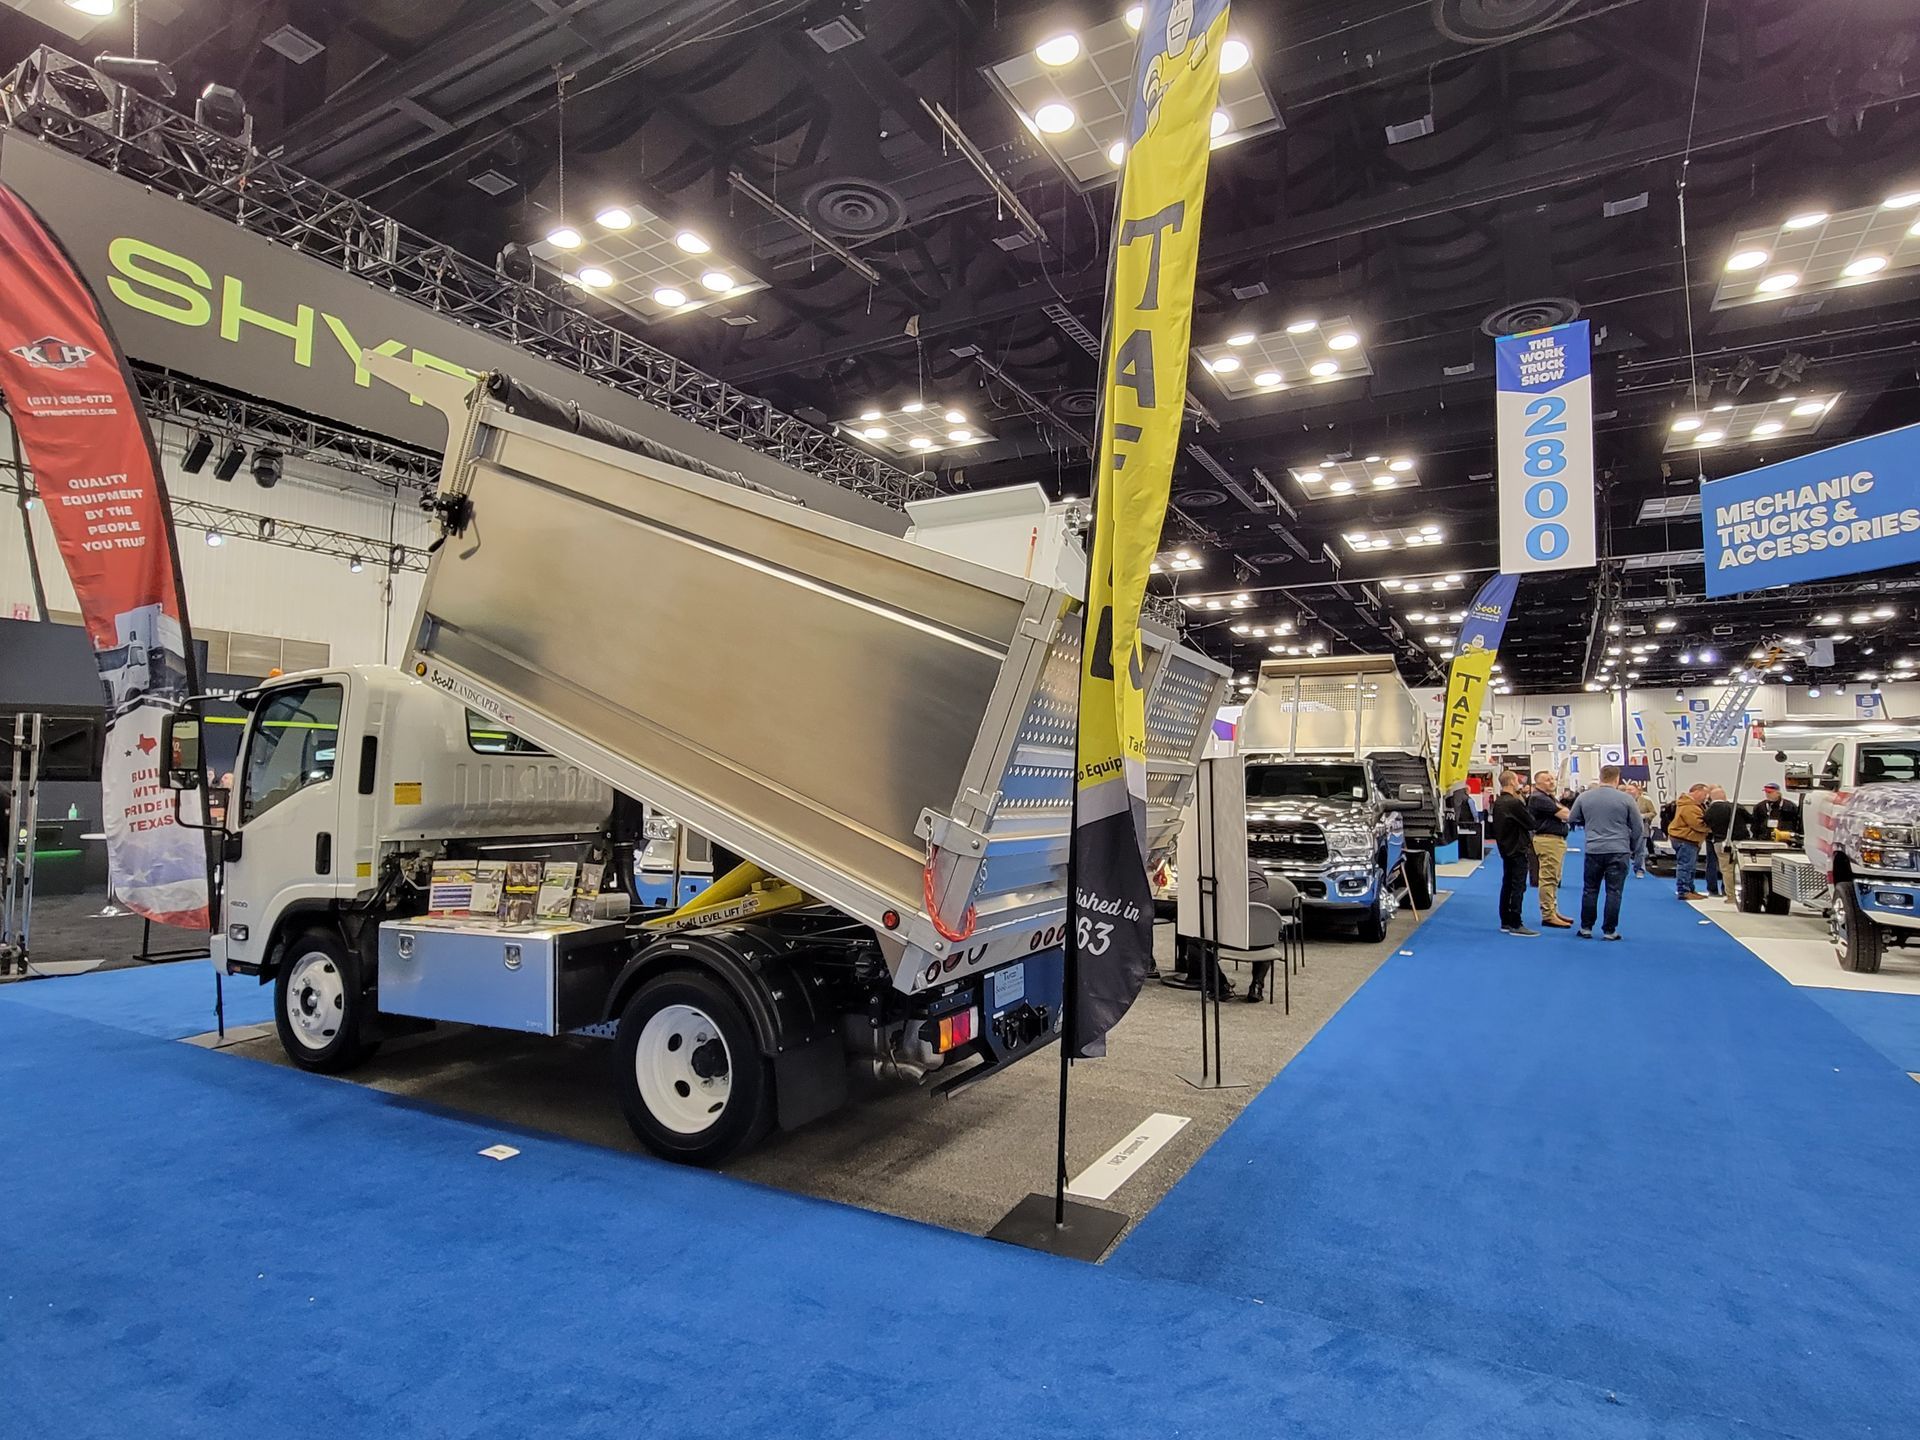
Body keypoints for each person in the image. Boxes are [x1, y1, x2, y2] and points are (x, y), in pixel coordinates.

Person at [1567, 766, 1644, 939]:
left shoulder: (1584, 797)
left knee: (1590, 889)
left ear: (1600, 776)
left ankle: (1586, 928)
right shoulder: (1627, 799)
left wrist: (1590, 823)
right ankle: (1609, 930)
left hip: (1594, 849)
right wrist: (1632, 846)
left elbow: (1572, 819)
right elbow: (1638, 827)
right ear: (1617, 779)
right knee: (1614, 891)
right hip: (1619, 849)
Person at [1490, 769, 1538, 936]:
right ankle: (1516, 922)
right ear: (1511, 782)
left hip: (1505, 847)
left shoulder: (1498, 802)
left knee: (1508, 884)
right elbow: (1531, 823)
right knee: (1518, 886)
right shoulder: (1514, 803)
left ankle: (1505, 920)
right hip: (1517, 848)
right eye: (1516, 780)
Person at [1527, 770, 1573, 928]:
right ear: (1537, 783)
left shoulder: (1548, 798)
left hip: (1554, 840)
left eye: (1552, 779)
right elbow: (1566, 814)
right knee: (1548, 878)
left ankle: (1553, 910)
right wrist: (1563, 812)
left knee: (1554, 877)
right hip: (1547, 840)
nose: (1551, 782)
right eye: (1547, 780)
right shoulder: (1539, 798)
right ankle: (1548, 914)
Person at [1669, 782, 1711, 899]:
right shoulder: (1689, 806)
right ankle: (1684, 890)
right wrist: (1710, 828)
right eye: (1705, 794)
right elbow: (1697, 824)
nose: (1706, 797)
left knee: (1690, 866)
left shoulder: (1689, 804)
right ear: (1697, 792)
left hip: (1688, 839)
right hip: (1686, 839)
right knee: (1686, 866)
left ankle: (1690, 889)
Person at [1703, 785, 1737, 897]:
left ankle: (1721, 889)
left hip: (1715, 838)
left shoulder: (1709, 807)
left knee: (1721, 865)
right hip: (1722, 838)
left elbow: (1705, 821)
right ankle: (1721, 890)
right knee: (1724, 866)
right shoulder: (1731, 807)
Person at [1629, 782, 1658, 877]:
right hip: (1626, 829)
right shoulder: (1623, 800)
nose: (1628, 791)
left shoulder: (1646, 801)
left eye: (1631, 789)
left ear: (1637, 790)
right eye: (1627, 789)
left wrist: (1644, 816)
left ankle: (1639, 869)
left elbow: (1653, 812)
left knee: (1640, 850)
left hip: (1642, 827)